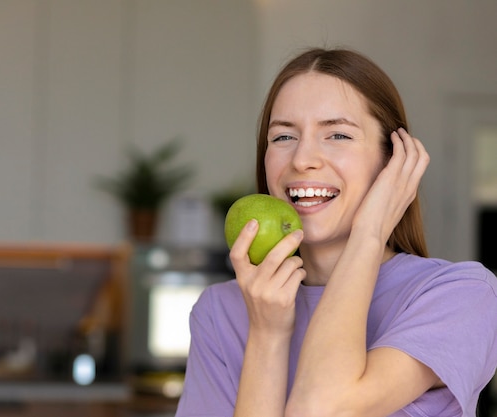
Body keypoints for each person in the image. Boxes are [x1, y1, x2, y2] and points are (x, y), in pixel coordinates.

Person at [175, 47, 497, 417]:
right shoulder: (221, 313)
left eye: (338, 135)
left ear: (392, 161)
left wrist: (371, 232)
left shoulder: (460, 296)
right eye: (282, 137)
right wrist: (267, 335)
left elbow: (322, 408)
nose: (302, 159)